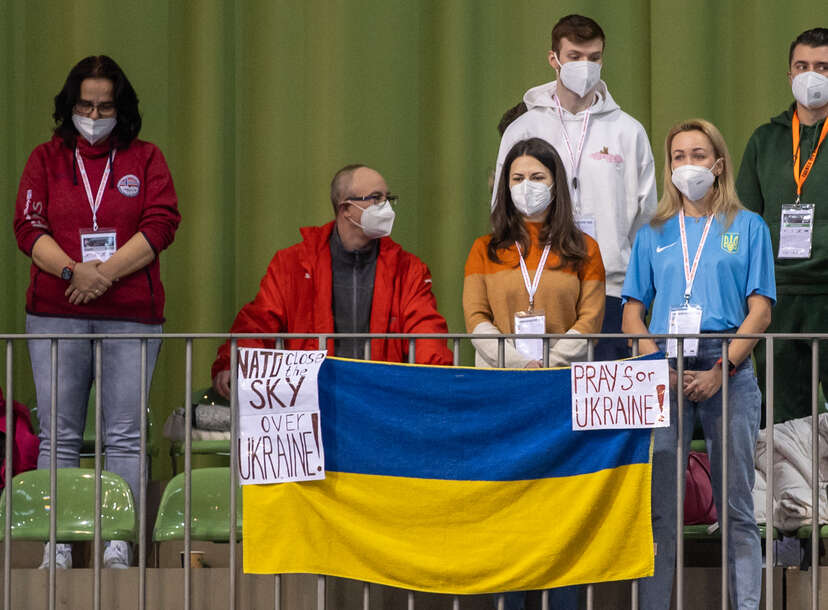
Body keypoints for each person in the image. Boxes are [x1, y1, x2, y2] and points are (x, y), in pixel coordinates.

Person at [13, 55, 181, 569]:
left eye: (105, 105)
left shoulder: (146, 158)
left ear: (121, 108)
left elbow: (160, 225)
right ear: (70, 106)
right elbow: (27, 228)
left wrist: (102, 273)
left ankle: (119, 542)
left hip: (131, 314)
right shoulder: (45, 158)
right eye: (85, 104)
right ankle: (57, 543)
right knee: (58, 435)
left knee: (124, 436)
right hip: (55, 313)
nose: (94, 113)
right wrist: (73, 272)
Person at [622, 119, 775, 610]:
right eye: (679, 156)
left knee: (737, 508)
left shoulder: (747, 225)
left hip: (728, 363)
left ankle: (746, 605)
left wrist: (722, 369)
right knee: (660, 509)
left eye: (699, 155)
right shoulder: (654, 232)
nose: (689, 165)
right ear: (669, 169)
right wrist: (653, 362)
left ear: (719, 164)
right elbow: (631, 311)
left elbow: (761, 310)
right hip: (664, 365)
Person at [464, 138, 605, 608]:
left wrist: (549, 363)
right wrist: (519, 362)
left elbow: (590, 320)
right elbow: (476, 319)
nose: (528, 187)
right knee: (507, 509)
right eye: (518, 178)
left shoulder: (585, 249)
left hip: (561, 393)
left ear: (556, 184)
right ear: (504, 188)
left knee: (559, 510)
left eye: (538, 177)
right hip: (501, 395)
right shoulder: (484, 249)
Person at [491, 14, 657, 362]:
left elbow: (647, 219)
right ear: (554, 59)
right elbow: (501, 211)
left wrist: (636, 291)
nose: (586, 65)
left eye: (594, 57)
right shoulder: (523, 128)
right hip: (539, 288)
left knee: (605, 411)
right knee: (547, 402)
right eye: (575, 56)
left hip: (611, 289)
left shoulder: (628, 131)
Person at [211, 164, 452, 397]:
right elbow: (259, 321)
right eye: (376, 198)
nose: (386, 207)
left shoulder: (408, 269)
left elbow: (426, 331)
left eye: (388, 198)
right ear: (345, 208)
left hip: (381, 400)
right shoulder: (292, 264)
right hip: (314, 399)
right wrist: (233, 362)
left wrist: (439, 380)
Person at [736, 27, 828, 423]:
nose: (812, 75)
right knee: (784, 424)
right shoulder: (764, 140)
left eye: (823, 67)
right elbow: (742, 224)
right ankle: (790, 490)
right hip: (777, 299)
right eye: (802, 66)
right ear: (789, 74)